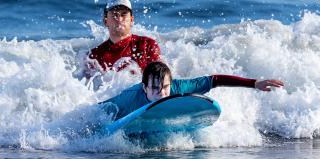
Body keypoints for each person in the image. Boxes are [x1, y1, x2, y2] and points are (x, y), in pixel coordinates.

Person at [102, 61, 284, 120]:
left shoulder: (177, 88)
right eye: (155, 89)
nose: (162, 93)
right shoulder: (129, 98)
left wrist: (254, 83)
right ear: (144, 88)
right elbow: (100, 111)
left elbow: (215, 80)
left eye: (165, 87)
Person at [84, 0, 161, 78]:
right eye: (114, 14)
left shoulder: (147, 46)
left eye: (124, 14)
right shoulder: (94, 57)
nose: (119, 19)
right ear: (105, 21)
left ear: (131, 20)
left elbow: (161, 79)